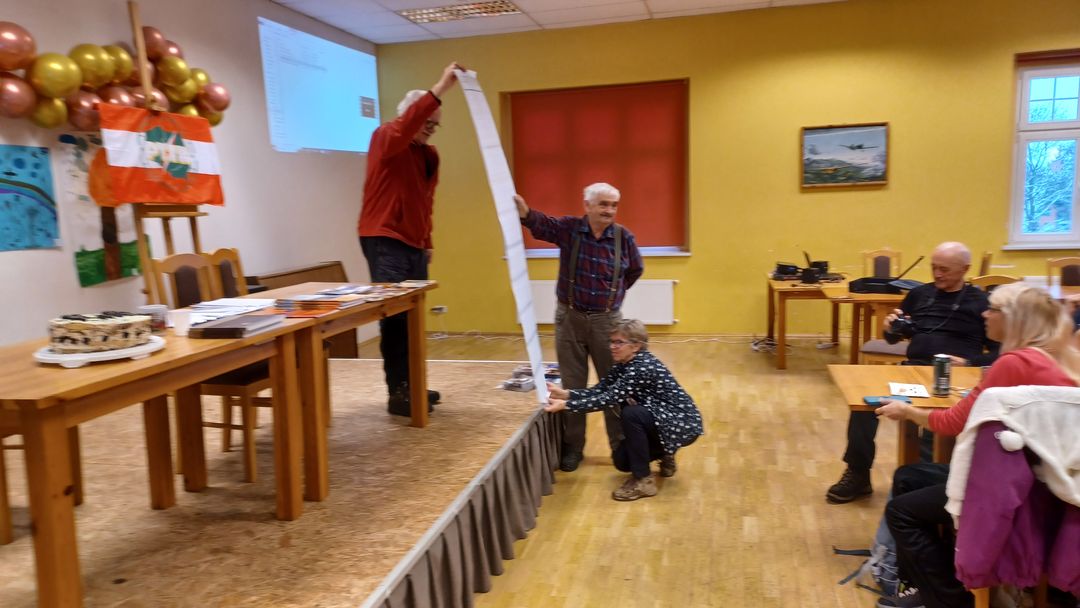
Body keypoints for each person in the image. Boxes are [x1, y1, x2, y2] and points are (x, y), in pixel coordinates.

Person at [875, 283, 1080, 608]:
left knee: (901, 512)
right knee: (909, 477)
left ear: (1013, 319)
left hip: (1016, 493)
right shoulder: (1061, 359)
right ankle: (926, 586)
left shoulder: (1014, 364)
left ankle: (951, 599)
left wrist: (907, 411)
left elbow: (952, 423)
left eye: (992, 309)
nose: (984, 314)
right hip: (1049, 485)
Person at [827, 241, 998, 504]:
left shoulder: (981, 303)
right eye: (934, 267)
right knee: (864, 404)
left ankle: (924, 484)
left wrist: (968, 362)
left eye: (945, 269)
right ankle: (858, 473)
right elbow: (893, 339)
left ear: (965, 269)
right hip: (912, 370)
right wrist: (889, 328)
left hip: (955, 378)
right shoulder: (919, 294)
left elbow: (999, 353)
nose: (937, 274)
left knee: (934, 424)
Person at [515, 184, 644, 472]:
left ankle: (620, 446)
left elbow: (635, 270)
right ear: (587, 205)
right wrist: (525, 214)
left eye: (613, 205)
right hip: (570, 318)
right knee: (573, 385)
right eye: (603, 204)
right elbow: (544, 226)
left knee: (614, 385)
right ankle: (573, 447)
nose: (609, 210)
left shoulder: (624, 237)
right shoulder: (570, 229)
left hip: (608, 323)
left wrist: (612, 294)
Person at [358, 62, 462, 417]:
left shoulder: (428, 155)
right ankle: (398, 392)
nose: (431, 130)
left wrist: (426, 240)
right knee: (395, 319)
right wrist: (441, 87)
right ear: (410, 116)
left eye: (435, 125)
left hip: (413, 243)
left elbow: (424, 201)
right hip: (384, 238)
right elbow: (406, 126)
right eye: (427, 122)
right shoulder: (386, 138)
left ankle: (413, 384)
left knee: (413, 318)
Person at [544, 319, 703, 501]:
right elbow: (600, 390)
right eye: (611, 341)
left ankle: (643, 481)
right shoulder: (623, 364)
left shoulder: (641, 367)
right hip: (661, 419)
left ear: (636, 346)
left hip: (682, 424)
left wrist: (566, 405)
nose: (612, 347)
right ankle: (666, 452)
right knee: (623, 461)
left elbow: (607, 400)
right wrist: (567, 394)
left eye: (618, 342)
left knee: (631, 413)